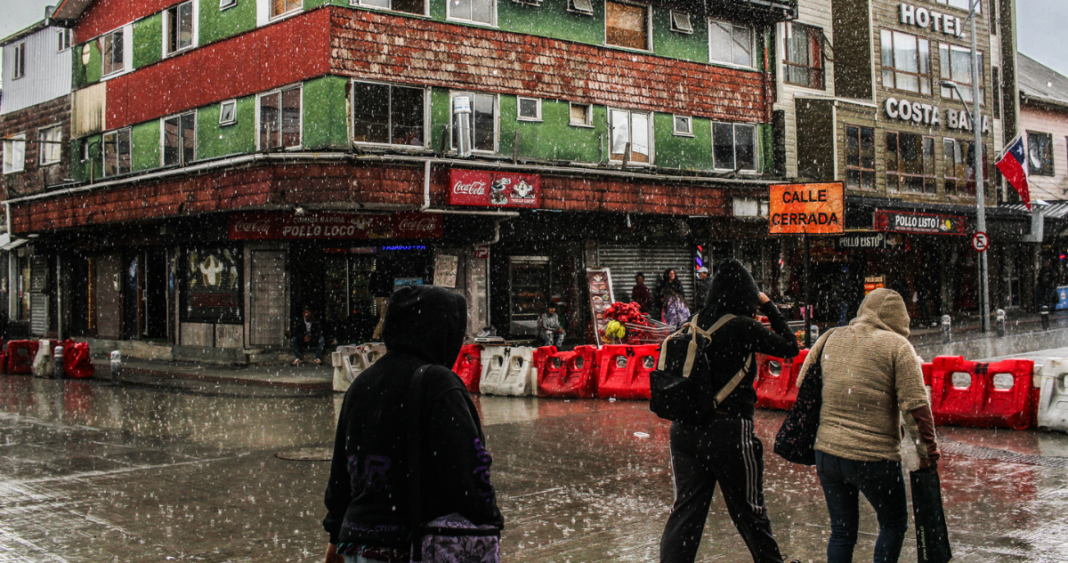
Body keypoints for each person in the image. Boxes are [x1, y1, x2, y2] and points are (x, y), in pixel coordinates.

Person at [322, 285, 504, 563]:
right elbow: (469, 468)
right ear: (444, 332)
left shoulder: (362, 384)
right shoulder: (439, 383)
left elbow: (341, 474)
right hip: (417, 544)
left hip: (358, 543)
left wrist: (335, 536)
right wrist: (489, 521)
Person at [660, 259, 801, 563]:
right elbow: (791, 346)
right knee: (750, 512)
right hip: (728, 431)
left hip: (684, 430)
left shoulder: (693, 322)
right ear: (746, 294)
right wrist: (770, 307)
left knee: (685, 512)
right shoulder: (743, 326)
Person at [796, 288, 939, 563]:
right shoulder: (898, 347)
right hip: (874, 457)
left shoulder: (829, 337)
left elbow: (804, 385)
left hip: (827, 453)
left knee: (842, 532)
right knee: (893, 523)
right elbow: (915, 409)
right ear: (901, 319)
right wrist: (928, 455)